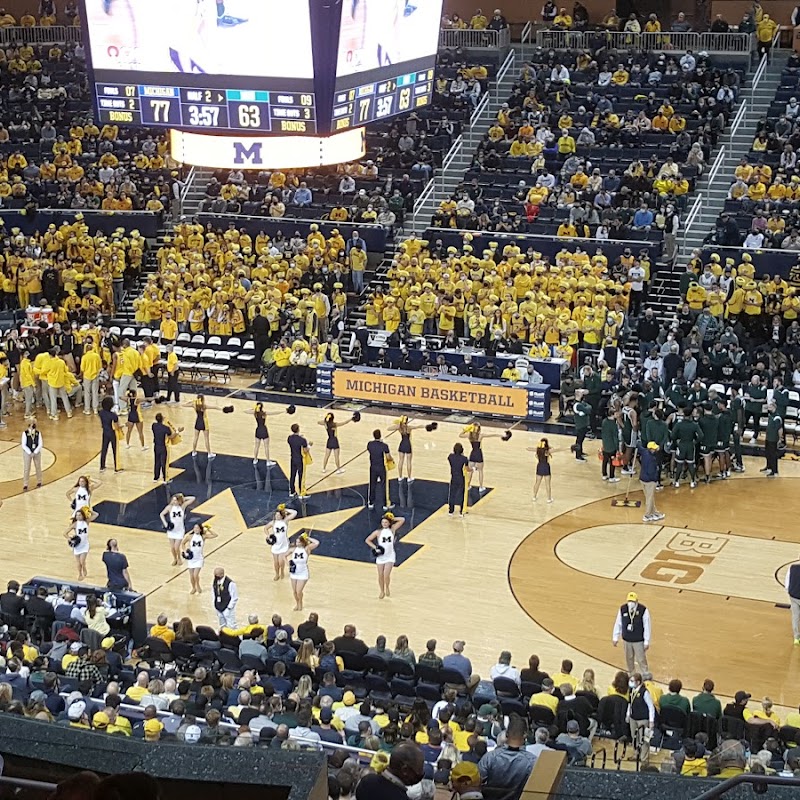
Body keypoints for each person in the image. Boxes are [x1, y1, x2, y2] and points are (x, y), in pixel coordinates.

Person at [478, 714, 536, 791]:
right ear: (525, 735)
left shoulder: (490, 757)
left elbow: (477, 781)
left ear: (506, 734)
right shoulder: (532, 762)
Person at [355, 741, 425, 800]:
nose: (421, 773)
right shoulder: (402, 798)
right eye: (419, 769)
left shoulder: (366, 782)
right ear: (405, 770)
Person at [365, 512, 405, 600]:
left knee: (386, 575)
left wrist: (392, 518)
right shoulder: (378, 532)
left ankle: (387, 587)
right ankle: (381, 590)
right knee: (380, 575)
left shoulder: (392, 529)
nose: (384, 524)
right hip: (381, 556)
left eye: (386, 522)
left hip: (390, 555)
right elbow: (367, 540)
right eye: (383, 522)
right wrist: (375, 547)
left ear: (389, 523)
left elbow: (402, 519)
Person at [460, 422, 505, 493]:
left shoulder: (469, 435)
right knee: (480, 471)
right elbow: (492, 435)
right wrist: (501, 435)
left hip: (472, 453)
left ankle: (468, 485)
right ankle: (481, 487)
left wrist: (466, 429)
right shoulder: (480, 435)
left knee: (470, 471)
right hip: (479, 454)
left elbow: (460, 435)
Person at [612, 592, 651, 673]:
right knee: (629, 659)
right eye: (629, 601)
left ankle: (645, 675)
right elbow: (618, 623)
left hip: (638, 640)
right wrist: (615, 637)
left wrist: (646, 641)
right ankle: (632, 675)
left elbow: (647, 625)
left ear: (636, 601)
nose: (631, 603)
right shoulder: (623, 609)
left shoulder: (643, 610)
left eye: (632, 601)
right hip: (627, 640)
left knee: (641, 659)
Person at [160, 493, 196, 566]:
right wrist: (165, 523)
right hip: (172, 530)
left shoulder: (182, 506)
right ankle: (175, 559)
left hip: (179, 530)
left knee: (177, 547)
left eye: (176, 500)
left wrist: (183, 498)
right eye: (173, 500)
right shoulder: (169, 507)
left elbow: (193, 498)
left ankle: (179, 558)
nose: (174, 502)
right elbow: (161, 514)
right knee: (172, 547)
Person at [181, 523, 218, 594]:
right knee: (191, 576)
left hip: (199, 558)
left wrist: (208, 529)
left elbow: (215, 535)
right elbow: (183, 543)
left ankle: (197, 585)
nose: (196, 529)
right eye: (195, 528)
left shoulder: (203, 536)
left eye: (197, 528)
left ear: (200, 529)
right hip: (191, 559)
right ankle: (193, 588)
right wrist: (185, 551)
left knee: (195, 575)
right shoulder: (190, 537)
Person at [265, 504, 298, 581]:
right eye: (276, 515)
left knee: (281, 561)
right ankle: (277, 574)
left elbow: (294, 512)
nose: (277, 516)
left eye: (278, 515)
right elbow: (265, 528)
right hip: (276, 544)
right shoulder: (273, 522)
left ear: (281, 515)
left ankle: (282, 571)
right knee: (276, 562)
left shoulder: (285, 521)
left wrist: (284, 509)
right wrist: (268, 535)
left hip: (284, 544)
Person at [64, 506, 98, 580]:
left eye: (79, 515)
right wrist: (69, 539)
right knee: (78, 562)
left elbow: (96, 515)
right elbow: (65, 533)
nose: (78, 516)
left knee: (82, 561)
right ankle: (80, 574)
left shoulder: (86, 521)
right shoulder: (75, 524)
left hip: (85, 544)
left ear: (83, 515)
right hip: (77, 545)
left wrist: (89, 510)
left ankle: (84, 568)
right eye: (77, 515)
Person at [388, 415, 426, 481]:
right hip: (408, 445)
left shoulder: (399, 428)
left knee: (400, 461)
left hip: (402, 444)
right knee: (409, 462)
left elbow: (388, 428)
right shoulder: (409, 428)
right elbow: (417, 427)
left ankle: (400, 477)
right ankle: (409, 477)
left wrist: (397, 425)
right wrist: (424, 426)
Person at [288, 532, 320, 611]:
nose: (297, 543)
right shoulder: (293, 549)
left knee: (299, 591)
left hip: (303, 573)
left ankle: (300, 603)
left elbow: (317, 542)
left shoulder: (307, 549)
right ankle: (297, 603)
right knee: (294, 591)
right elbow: (284, 555)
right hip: (294, 572)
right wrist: (288, 564)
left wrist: (307, 538)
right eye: (296, 542)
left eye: (298, 542)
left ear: (302, 542)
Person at [637, 441, 664, 522]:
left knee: (650, 497)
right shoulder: (652, 459)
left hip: (642, 479)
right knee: (649, 498)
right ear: (651, 449)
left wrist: (638, 443)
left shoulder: (644, 452)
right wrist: (656, 480)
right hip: (650, 481)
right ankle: (647, 515)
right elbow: (652, 471)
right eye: (655, 448)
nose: (656, 450)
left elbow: (639, 447)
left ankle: (654, 512)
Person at [152, 412, 182, 483]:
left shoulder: (154, 426)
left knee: (157, 461)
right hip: (163, 446)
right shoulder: (166, 428)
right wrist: (178, 431)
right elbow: (171, 436)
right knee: (164, 462)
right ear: (162, 419)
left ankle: (156, 477)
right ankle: (165, 478)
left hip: (156, 446)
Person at [366, 429, 392, 510]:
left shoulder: (369, 444)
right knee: (383, 485)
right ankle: (385, 505)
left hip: (372, 467)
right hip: (381, 467)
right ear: (380, 435)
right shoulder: (384, 445)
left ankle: (371, 502)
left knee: (372, 485)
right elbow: (388, 457)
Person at [253, 401, 282, 466]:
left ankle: (255, 459)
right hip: (264, 430)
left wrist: (254, 408)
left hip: (258, 430)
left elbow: (245, 411)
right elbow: (274, 413)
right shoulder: (264, 413)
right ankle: (268, 461)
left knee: (256, 446)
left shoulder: (255, 413)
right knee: (266, 447)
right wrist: (282, 411)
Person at [98, 395, 123, 472]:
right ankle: (117, 468)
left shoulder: (101, 413)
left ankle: (102, 466)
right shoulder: (114, 415)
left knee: (104, 449)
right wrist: (124, 425)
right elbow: (116, 427)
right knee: (115, 450)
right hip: (112, 433)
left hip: (105, 432)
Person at [287, 422, 312, 498]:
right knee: (301, 475)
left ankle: (292, 491)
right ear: (298, 429)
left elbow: (295, 440)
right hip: (300, 459)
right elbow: (305, 450)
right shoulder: (303, 440)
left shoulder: (289, 438)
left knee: (292, 475)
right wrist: (309, 445)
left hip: (293, 458)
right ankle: (302, 492)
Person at [447, 442, 470, 516]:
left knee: (452, 494)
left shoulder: (450, 457)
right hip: (460, 477)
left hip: (453, 477)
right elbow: (467, 468)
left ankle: (451, 511)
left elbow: (451, 458)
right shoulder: (464, 459)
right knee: (461, 494)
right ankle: (461, 511)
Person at [528, 438, 554, 502]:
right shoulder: (547, 451)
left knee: (537, 483)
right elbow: (555, 449)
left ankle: (534, 497)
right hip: (546, 467)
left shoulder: (538, 450)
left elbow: (528, 448)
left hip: (539, 466)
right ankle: (549, 498)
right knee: (547, 484)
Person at [21, 418, 43, 491]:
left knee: (38, 467)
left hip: (36, 452)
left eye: (33, 423)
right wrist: (30, 452)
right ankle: (25, 484)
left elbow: (40, 444)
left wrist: (35, 452)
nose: (33, 425)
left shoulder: (38, 433)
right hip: (27, 453)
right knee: (27, 468)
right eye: (31, 423)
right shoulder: (25, 433)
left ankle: (39, 481)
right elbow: (23, 445)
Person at [763, 400, 783, 477]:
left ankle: (775, 471)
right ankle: (768, 467)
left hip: (773, 439)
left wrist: (779, 439)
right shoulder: (770, 415)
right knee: (767, 453)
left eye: (770, 406)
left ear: (774, 407)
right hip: (768, 437)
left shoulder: (777, 417)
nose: (769, 407)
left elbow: (780, 429)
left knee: (773, 455)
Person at [600, 407, 621, 482]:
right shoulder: (613, 425)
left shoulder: (604, 421)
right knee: (612, 462)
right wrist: (617, 448)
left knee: (605, 461)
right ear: (613, 414)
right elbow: (615, 437)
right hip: (612, 447)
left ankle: (604, 475)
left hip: (605, 445)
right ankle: (612, 477)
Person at [572, 389, 591, 461]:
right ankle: (578, 456)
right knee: (579, 440)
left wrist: (587, 407)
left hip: (583, 424)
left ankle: (580, 452)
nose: (583, 394)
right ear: (578, 395)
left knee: (581, 439)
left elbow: (588, 407)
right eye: (581, 393)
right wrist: (587, 407)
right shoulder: (578, 405)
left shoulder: (581, 403)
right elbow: (588, 410)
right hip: (580, 425)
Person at [785, 557, 800, 646]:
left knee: (795, 617)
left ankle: (796, 638)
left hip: (793, 596)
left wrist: (789, 592)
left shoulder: (792, 567)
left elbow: (787, 582)